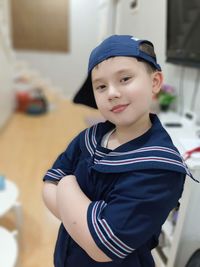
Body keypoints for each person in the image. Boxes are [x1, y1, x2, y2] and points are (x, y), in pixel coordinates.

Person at [42, 35, 198, 267]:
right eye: (101, 86)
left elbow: (102, 245)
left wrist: (67, 184)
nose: (112, 93)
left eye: (125, 79)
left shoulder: (159, 167)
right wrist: (80, 221)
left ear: (155, 82)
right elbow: (48, 183)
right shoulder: (90, 137)